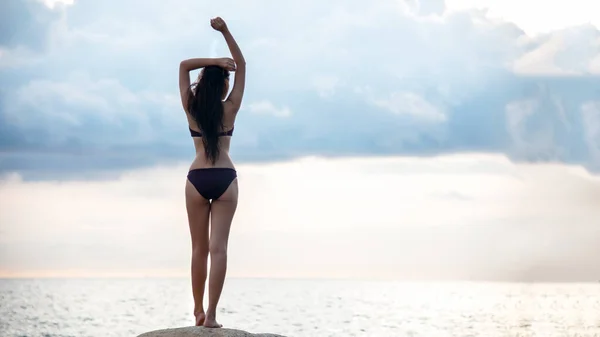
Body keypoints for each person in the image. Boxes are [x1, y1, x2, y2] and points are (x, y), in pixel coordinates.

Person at [178, 16, 246, 328]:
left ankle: (197, 311)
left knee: (198, 249)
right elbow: (242, 65)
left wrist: (213, 61)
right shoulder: (230, 107)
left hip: (197, 179)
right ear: (224, 86)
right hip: (224, 178)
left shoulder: (191, 106)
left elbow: (183, 65)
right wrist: (226, 33)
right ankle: (213, 316)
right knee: (219, 250)